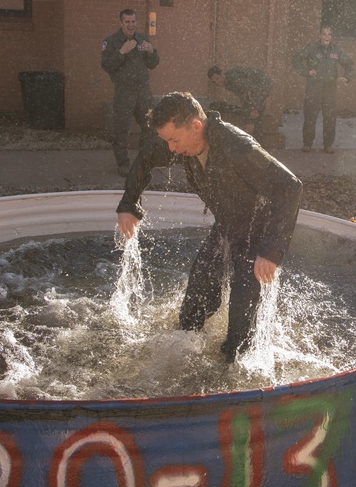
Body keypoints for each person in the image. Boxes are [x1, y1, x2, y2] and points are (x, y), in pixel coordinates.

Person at [116, 92, 303, 361]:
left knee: (240, 335)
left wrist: (272, 251)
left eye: (174, 139)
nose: (171, 148)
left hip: (256, 237)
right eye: (167, 140)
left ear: (195, 126)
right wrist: (128, 204)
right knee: (192, 311)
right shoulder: (185, 145)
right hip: (225, 229)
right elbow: (146, 156)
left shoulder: (236, 147)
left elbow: (290, 187)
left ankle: (233, 383)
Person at [101, 8, 160, 176]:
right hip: (124, 91)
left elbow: (153, 63)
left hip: (143, 91)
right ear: (121, 23)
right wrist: (122, 52)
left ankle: (144, 161)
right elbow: (106, 65)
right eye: (127, 21)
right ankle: (123, 164)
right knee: (121, 129)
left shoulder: (142, 39)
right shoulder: (111, 42)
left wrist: (151, 51)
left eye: (133, 21)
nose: (131, 25)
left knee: (149, 127)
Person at [291, 25, 355, 153]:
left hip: (330, 88)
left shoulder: (336, 51)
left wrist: (346, 78)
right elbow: (296, 59)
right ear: (320, 35)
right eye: (324, 34)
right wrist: (306, 71)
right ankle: (307, 143)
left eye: (329, 34)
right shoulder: (311, 49)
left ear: (331, 37)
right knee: (310, 116)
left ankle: (328, 144)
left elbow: (349, 64)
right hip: (313, 87)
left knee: (330, 117)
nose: (327, 37)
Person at [206, 65, 273, 134]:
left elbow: (252, 90)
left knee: (251, 115)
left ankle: (250, 137)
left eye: (217, 78)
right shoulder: (227, 82)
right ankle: (256, 136)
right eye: (214, 82)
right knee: (254, 115)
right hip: (260, 86)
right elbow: (242, 94)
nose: (217, 82)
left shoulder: (234, 80)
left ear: (222, 74)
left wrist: (254, 108)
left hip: (263, 84)